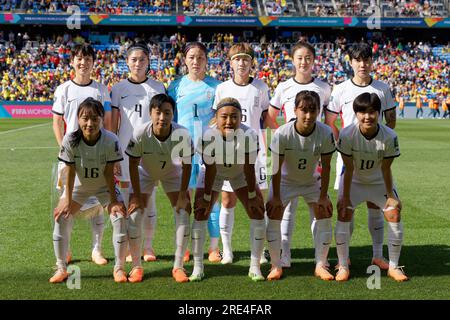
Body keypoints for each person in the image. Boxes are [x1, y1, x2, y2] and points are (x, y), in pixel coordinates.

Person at [192, 97, 283, 282]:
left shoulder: (249, 135)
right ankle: (197, 267)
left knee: (257, 210)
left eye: (234, 116)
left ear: (241, 118)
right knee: (201, 211)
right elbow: (210, 169)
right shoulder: (207, 136)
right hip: (214, 173)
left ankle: (255, 266)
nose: (229, 121)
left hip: (239, 173)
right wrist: (207, 197)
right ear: (216, 118)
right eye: (224, 116)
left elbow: (249, 168)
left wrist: (252, 194)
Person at [325, 42, 396, 271]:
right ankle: (343, 258)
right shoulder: (340, 89)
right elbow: (330, 122)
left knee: (377, 205)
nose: (362, 64)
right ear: (350, 61)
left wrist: (384, 142)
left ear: (371, 61)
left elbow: (391, 118)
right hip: (348, 155)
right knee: (346, 206)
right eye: (358, 60)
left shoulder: (382, 88)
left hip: (375, 155)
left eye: (366, 60)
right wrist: (341, 143)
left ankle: (377, 255)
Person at [268, 41, 331, 268]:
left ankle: (320, 261)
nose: (304, 62)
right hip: (289, 153)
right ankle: (284, 256)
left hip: (314, 150)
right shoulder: (283, 87)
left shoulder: (324, 88)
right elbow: (270, 116)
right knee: (287, 209)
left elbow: (329, 120)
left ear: (314, 61)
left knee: (317, 207)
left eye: (308, 58)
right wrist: (284, 139)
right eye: (299, 58)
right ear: (292, 60)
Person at [50, 98, 127, 283]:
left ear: (102, 119)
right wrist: (67, 199)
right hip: (79, 186)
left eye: (94, 118)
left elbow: (109, 173)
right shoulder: (70, 139)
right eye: (85, 118)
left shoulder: (111, 139)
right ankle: (61, 268)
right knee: (61, 216)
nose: (89, 123)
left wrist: (113, 201)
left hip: (103, 187)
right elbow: (69, 171)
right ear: (77, 119)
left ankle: (119, 268)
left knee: (119, 217)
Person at [213, 43, 277, 265]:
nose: (241, 63)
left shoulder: (260, 87)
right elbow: (217, 120)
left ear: (252, 62)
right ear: (230, 63)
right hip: (228, 153)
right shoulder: (222, 89)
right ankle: (227, 250)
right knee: (227, 199)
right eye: (237, 59)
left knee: (258, 201)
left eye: (246, 59)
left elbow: (267, 119)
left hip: (256, 154)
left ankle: (259, 251)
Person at [335, 92, 408, 282]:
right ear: (356, 113)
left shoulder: (390, 136)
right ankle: (342, 265)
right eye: (362, 112)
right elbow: (348, 169)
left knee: (393, 212)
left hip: (378, 181)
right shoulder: (347, 134)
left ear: (379, 112)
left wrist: (391, 195)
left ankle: (393, 266)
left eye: (372, 112)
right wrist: (344, 196)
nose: (367, 116)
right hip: (354, 181)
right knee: (344, 212)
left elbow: (386, 169)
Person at [52, 43, 112, 266]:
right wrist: (64, 150)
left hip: (96, 155)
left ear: (93, 63)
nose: (83, 63)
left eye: (87, 59)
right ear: (73, 61)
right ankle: (65, 250)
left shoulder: (101, 89)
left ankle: (96, 249)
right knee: (66, 202)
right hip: (71, 157)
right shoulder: (63, 89)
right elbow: (57, 122)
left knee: (96, 205)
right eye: (79, 58)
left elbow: (106, 123)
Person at [267, 91, 336, 281]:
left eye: (312, 110)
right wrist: (275, 196)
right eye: (303, 110)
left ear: (319, 111)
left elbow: (328, 166)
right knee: (273, 212)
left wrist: (323, 196)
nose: (308, 115)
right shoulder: (282, 133)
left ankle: (320, 264)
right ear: (294, 110)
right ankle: (275, 264)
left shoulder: (325, 132)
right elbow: (275, 167)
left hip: (311, 181)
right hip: (285, 181)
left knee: (325, 211)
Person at [126, 94, 193, 283]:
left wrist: (182, 195)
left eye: (167, 113)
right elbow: (132, 164)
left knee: (183, 211)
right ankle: (136, 266)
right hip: (145, 173)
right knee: (134, 213)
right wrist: (137, 196)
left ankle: (178, 266)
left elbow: (187, 165)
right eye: (158, 113)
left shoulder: (183, 134)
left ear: (173, 115)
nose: (162, 117)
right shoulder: (139, 133)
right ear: (150, 114)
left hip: (173, 173)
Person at [111, 42, 166, 263]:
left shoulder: (158, 87)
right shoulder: (118, 89)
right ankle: (125, 247)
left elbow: (163, 123)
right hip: (125, 153)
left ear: (148, 62)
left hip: (150, 152)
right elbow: (113, 126)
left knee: (148, 199)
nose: (137, 63)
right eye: (133, 59)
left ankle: (149, 247)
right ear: (127, 62)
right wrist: (114, 154)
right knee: (125, 201)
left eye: (142, 59)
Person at [168, 42, 222, 263]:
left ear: (206, 60)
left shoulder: (217, 86)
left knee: (211, 197)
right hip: (182, 148)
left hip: (208, 148)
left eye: (200, 57)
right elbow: (169, 118)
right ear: (185, 60)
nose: (196, 61)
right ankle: (185, 245)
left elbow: (223, 116)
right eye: (191, 57)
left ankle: (213, 247)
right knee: (183, 197)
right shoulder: (175, 86)